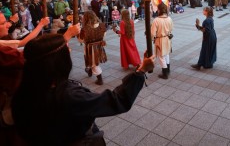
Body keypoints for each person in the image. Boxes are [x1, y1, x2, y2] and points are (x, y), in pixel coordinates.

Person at [11, 32, 155, 146]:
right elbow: (117, 101)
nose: (70, 50)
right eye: (66, 51)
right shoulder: (68, 97)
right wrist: (140, 71)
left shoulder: (22, 92)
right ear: (58, 62)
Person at [78, 10, 107, 85]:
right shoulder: (102, 25)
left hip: (90, 48)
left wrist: (78, 34)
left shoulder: (85, 28)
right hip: (99, 46)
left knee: (94, 64)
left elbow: (81, 40)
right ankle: (89, 70)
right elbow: (104, 35)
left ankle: (100, 79)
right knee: (92, 61)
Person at [151, 2, 174, 79]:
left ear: (159, 10)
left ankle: (165, 73)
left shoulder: (156, 20)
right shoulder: (169, 18)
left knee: (161, 56)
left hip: (160, 39)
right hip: (167, 38)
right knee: (166, 54)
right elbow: (171, 29)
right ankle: (168, 70)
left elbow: (152, 33)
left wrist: (152, 39)